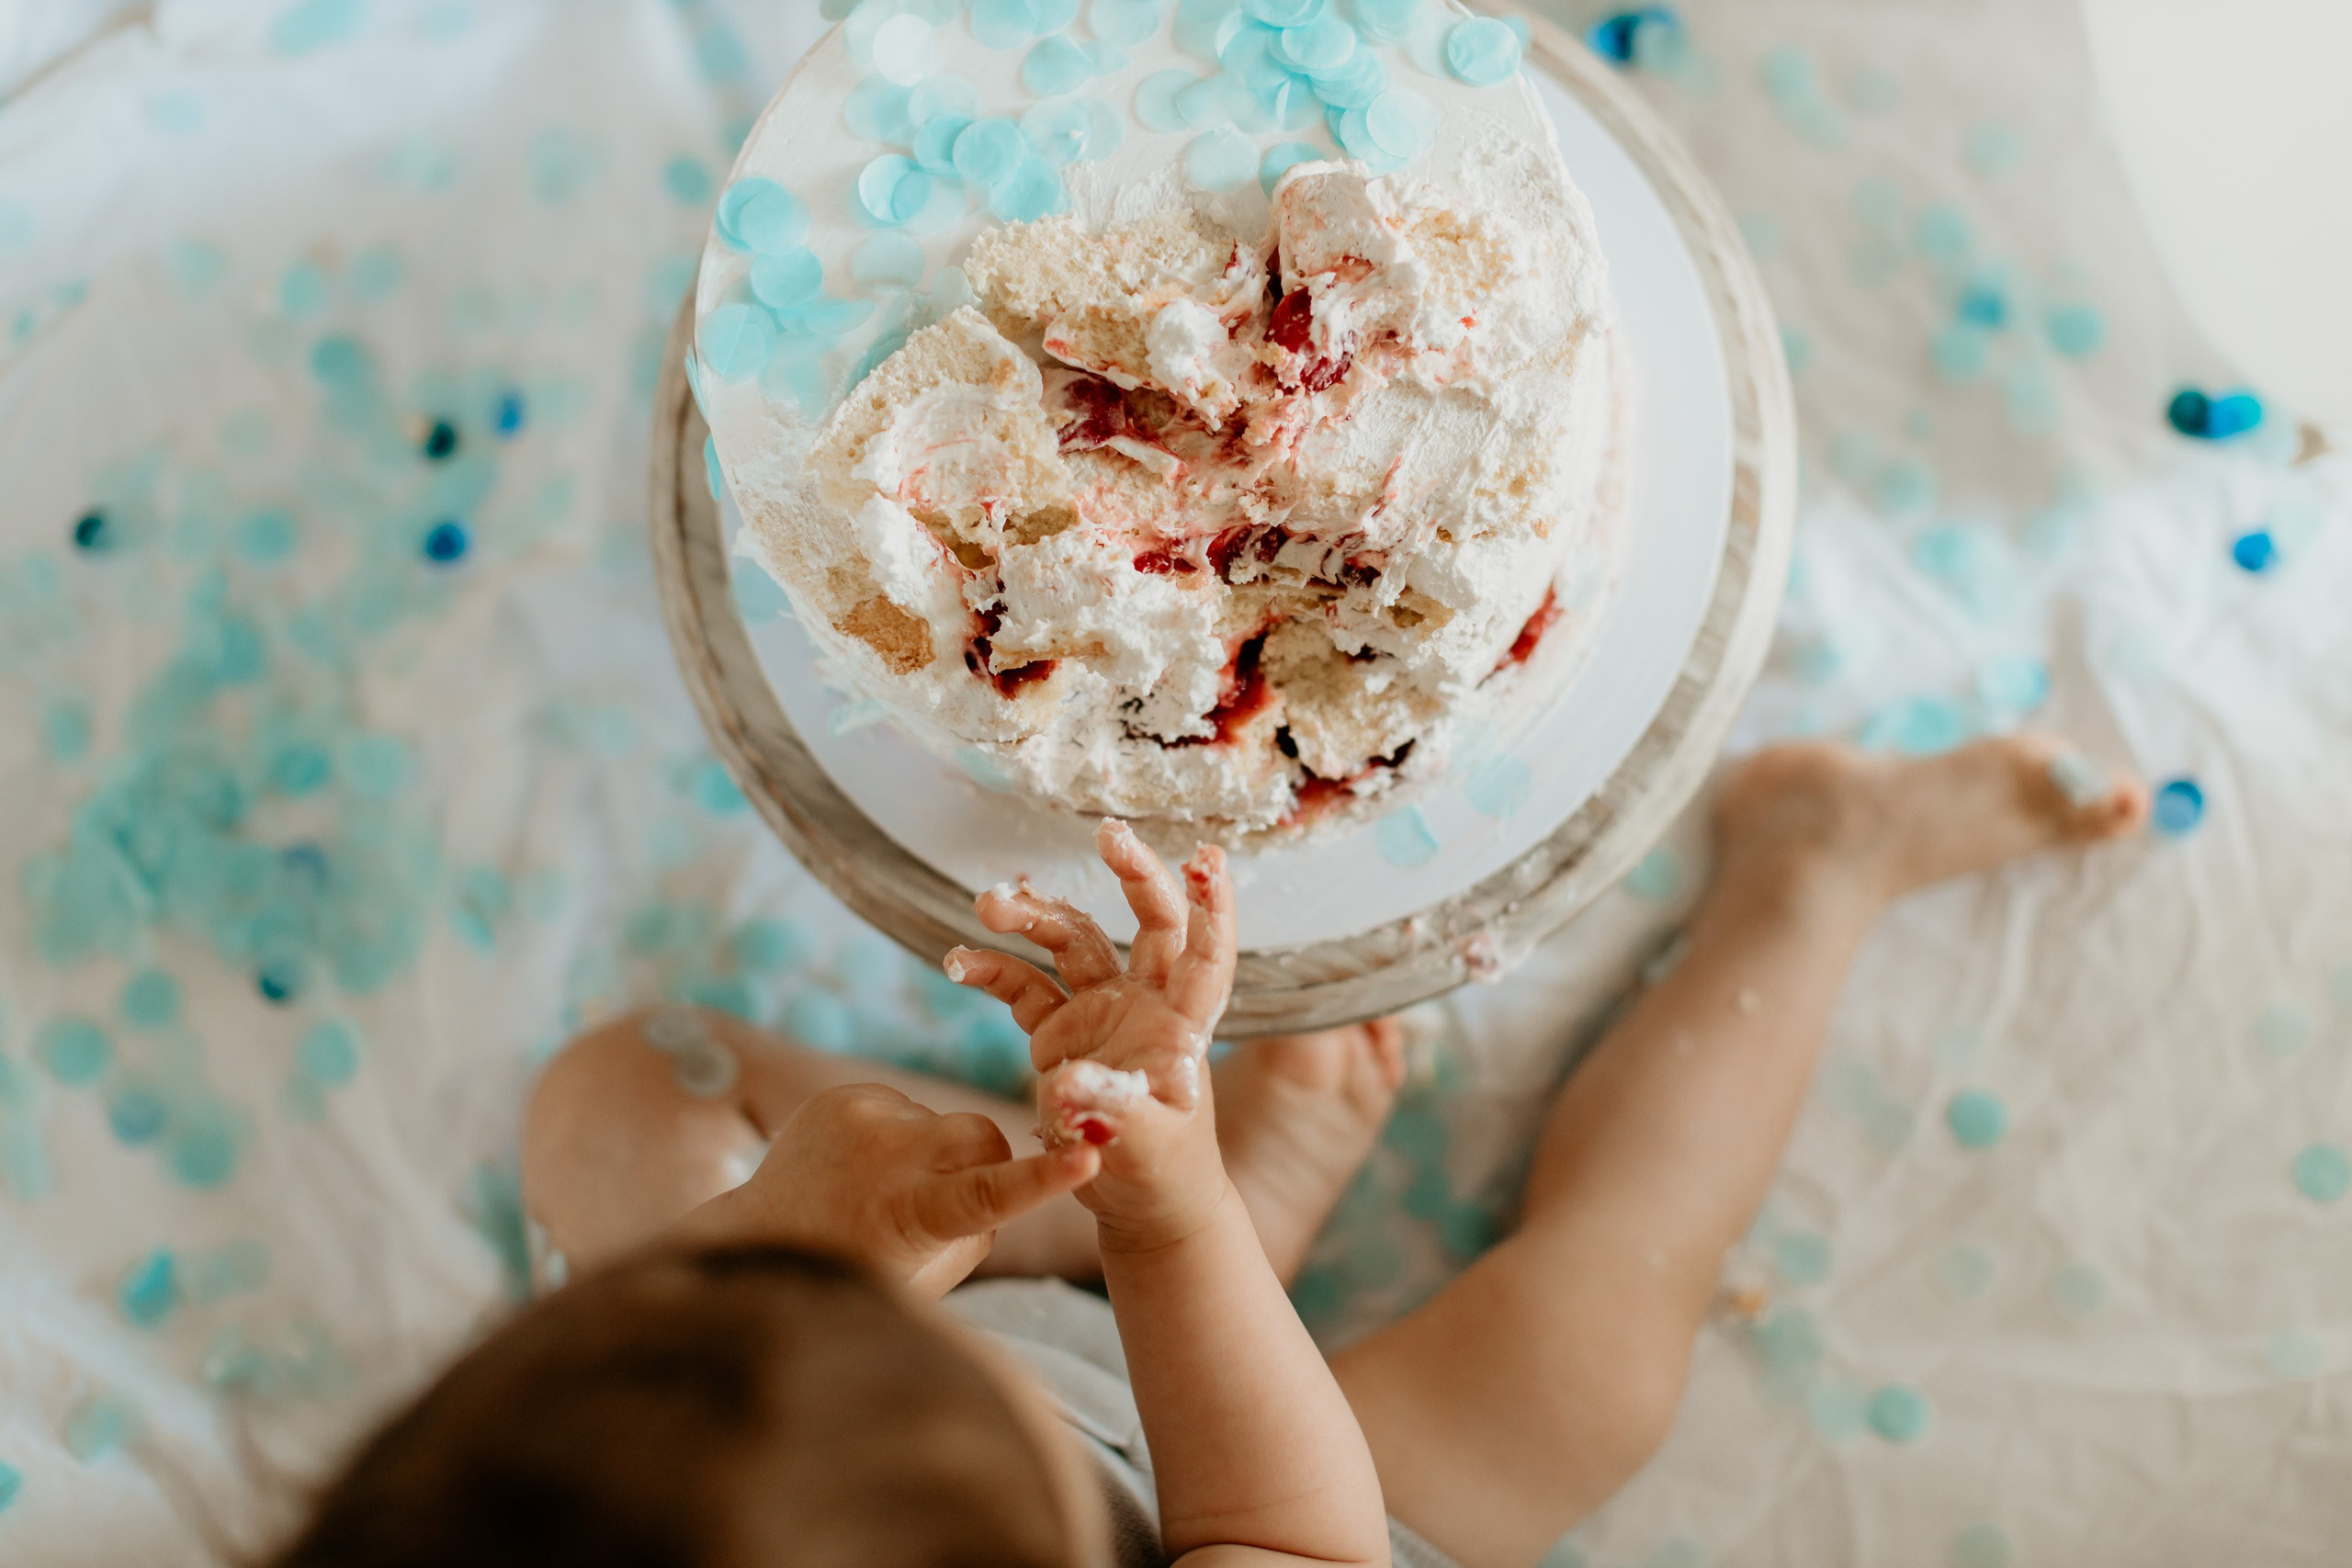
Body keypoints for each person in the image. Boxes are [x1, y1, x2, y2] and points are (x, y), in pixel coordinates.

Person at [266, 737, 2147, 1568]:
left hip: (748, 1432)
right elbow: (1275, 1520)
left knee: (625, 1088)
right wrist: (1172, 1223)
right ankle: (1811, 871)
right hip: (1254, 1506)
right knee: (1579, 1358)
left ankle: (1035, 1223)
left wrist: (787, 1243)